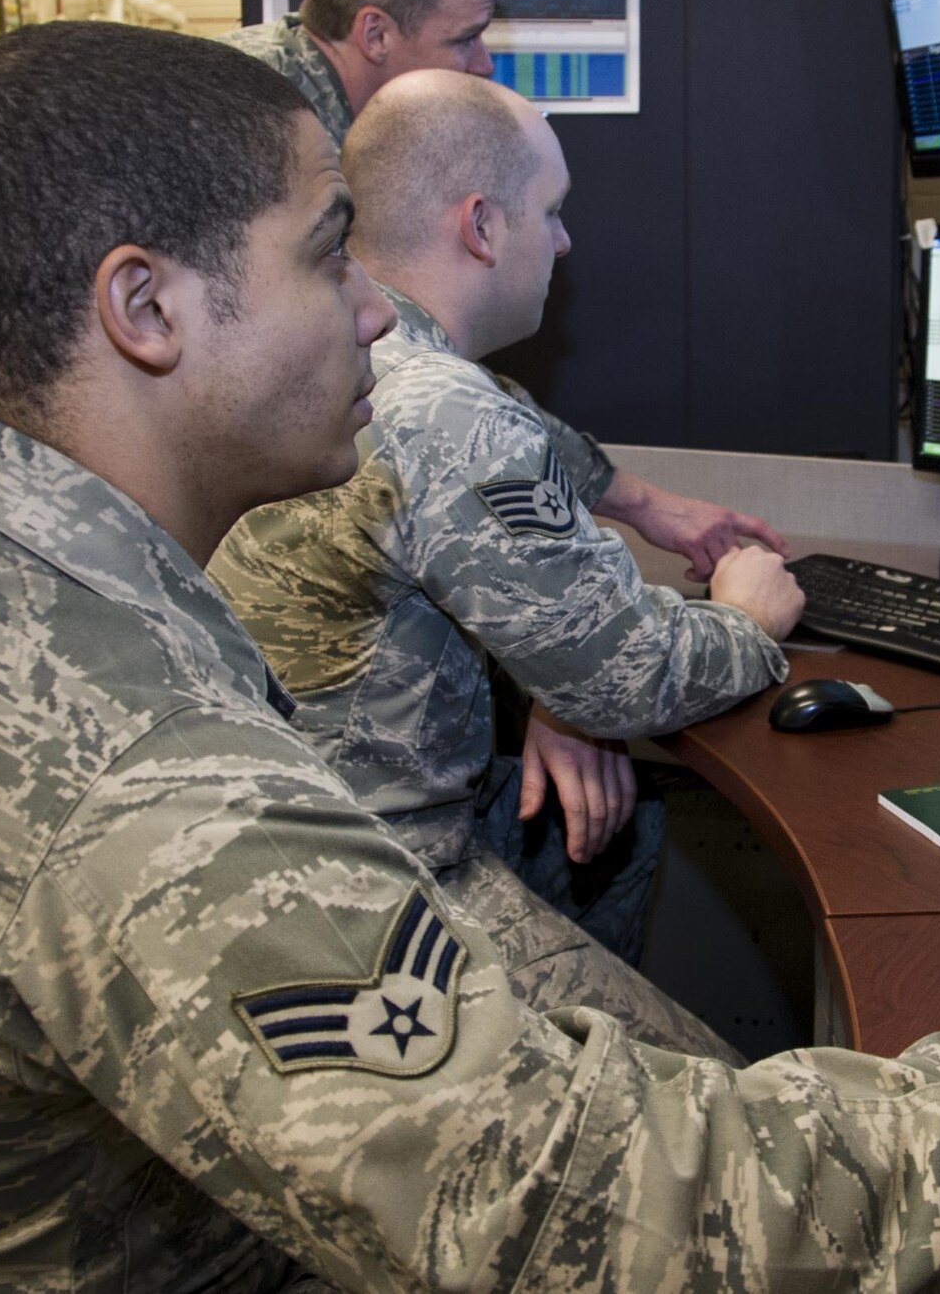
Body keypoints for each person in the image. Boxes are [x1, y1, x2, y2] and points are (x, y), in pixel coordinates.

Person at [0, 18, 940, 1289]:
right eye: (326, 258)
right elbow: (611, 1216)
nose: (380, 312)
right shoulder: (137, 781)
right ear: (146, 308)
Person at [0, 0, 786, 1007]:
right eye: (464, 39)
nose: (368, 314)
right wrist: (632, 647)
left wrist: (625, 516)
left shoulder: (353, 246)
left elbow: (438, 399)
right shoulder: (253, 124)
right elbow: (439, 410)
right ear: (374, 33)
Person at [208, 70, 799, 993]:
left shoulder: (352, 344)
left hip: (281, 816)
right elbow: (631, 673)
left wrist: (632, 521)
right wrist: (748, 615)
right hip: (379, 873)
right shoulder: (448, 412)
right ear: (481, 227)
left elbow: (511, 430)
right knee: (698, 1092)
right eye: (553, 211)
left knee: (618, 822)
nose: (565, 241)